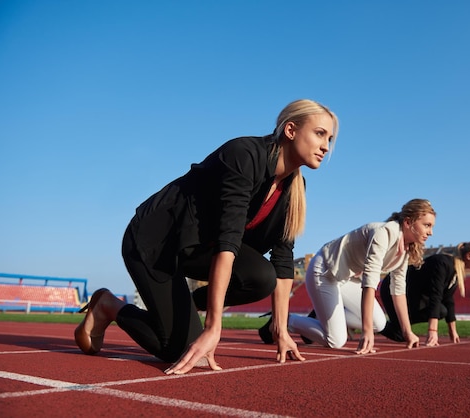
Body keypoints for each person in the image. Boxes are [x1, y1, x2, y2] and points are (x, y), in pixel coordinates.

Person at [74, 99, 339, 374]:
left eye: (329, 138)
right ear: (291, 130)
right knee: (177, 350)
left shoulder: (295, 187)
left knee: (262, 277)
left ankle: (183, 311)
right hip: (155, 243)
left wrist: (281, 330)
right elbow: (229, 240)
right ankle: (108, 306)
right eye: (320, 134)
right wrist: (214, 328)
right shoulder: (245, 154)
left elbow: (283, 259)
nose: (326, 146)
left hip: (197, 250)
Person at [278, 199, 436, 354]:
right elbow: (370, 282)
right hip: (325, 271)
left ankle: (326, 319)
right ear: (408, 222)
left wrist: (407, 331)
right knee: (336, 340)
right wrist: (366, 332)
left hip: (347, 278)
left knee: (379, 323)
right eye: (426, 225)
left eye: (431, 227)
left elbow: (398, 291)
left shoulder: (405, 250)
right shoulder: (384, 233)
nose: (431, 232)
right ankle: (284, 320)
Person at [379, 241, 470, 346]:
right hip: (394, 288)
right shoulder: (443, 263)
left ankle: (383, 324)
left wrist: (452, 330)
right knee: (403, 333)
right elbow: (435, 296)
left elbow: (448, 300)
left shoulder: (455, 273)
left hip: (413, 295)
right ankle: (373, 322)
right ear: (469, 256)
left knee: (402, 334)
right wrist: (432, 330)